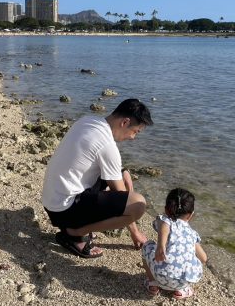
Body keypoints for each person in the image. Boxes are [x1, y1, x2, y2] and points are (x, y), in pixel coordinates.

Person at [42, 98, 153, 259]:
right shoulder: (107, 145)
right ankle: (74, 233)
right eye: (135, 131)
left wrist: (124, 172)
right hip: (63, 210)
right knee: (138, 205)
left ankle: (76, 225)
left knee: (120, 175)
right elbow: (123, 197)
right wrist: (135, 232)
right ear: (125, 122)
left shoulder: (88, 121)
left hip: (52, 201)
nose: (133, 137)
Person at [142, 188, 207, 299]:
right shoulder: (192, 233)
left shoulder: (164, 221)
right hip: (183, 281)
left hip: (160, 275)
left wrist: (161, 246)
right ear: (191, 215)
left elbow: (165, 224)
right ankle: (181, 290)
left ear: (166, 210)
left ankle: (153, 284)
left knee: (147, 245)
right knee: (188, 265)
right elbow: (204, 258)